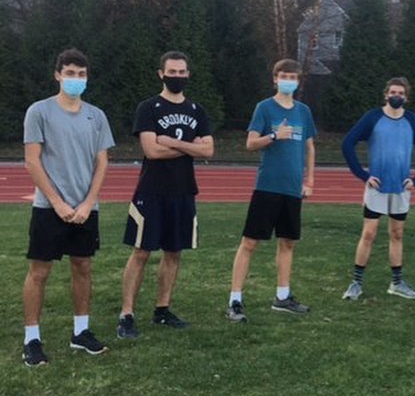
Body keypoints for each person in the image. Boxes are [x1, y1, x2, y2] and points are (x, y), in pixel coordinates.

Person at [21, 48, 115, 366]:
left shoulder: (96, 116)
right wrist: (58, 202)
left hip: (85, 208)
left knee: (83, 267)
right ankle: (32, 338)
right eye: (70, 73)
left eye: (81, 74)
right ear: (58, 75)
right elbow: (32, 161)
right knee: (39, 271)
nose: (76, 79)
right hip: (49, 207)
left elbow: (102, 162)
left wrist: (88, 202)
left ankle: (81, 332)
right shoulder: (39, 111)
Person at [117, 51, 214, 339]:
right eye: (172, 72)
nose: (177, 77)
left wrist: (172, 141)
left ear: (188, 74)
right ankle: (126, 314)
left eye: (182, 72)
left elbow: (208, 150)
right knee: (141, 252)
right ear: (161, 74)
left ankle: (162, 309)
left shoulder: (197, 110)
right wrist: (191, 147)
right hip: (152, 190)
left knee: (174, 252)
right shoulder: (149, 108)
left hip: (183, 190)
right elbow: (152, 151)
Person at [226, 59, 316, 321]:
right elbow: (250, 143)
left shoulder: (304, 111)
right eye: (284, 75)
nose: (288, 80)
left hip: (292, 189)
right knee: (250, 243)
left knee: (287, 242)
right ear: (275, 78)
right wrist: (275, 136)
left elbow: (309, 147)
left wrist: (310, 181)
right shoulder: (264, 108)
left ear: (298, 81)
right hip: (268, 186)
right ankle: (235, 300)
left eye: (293, 77)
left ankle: (282, 297)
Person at [341, 77, 415, 301]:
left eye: (400, 93)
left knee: (397, 234)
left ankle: (397, 283)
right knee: (369, 233)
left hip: (400, 188)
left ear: (406, 97)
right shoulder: (373, 117)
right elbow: (348, 143)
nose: (396, 96)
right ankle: (356, 283)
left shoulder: (411, 119)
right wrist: (363, 175)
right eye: (393, 92)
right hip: (377, 187)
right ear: (385, 94)